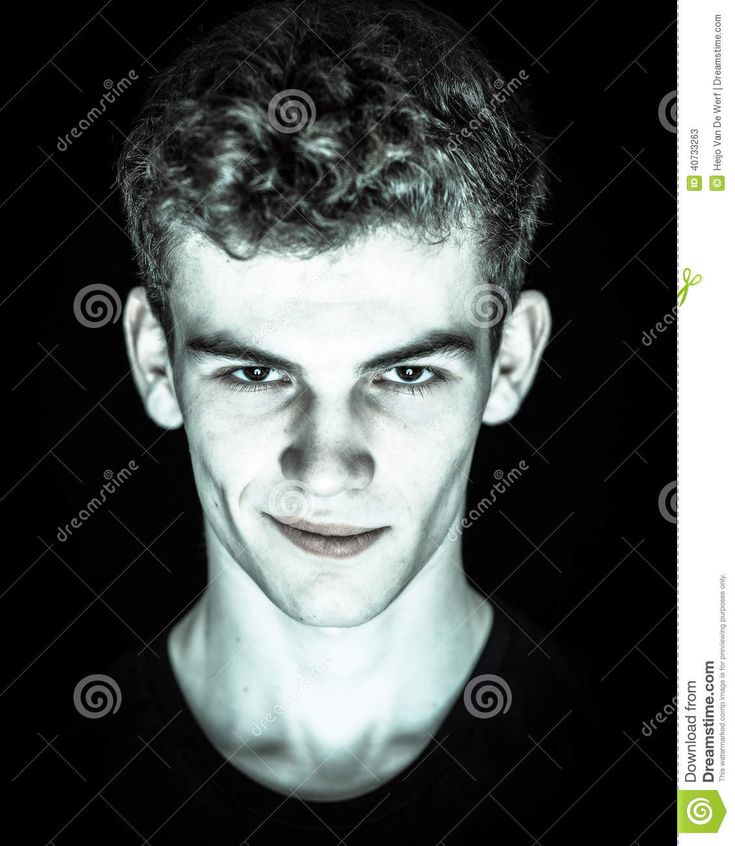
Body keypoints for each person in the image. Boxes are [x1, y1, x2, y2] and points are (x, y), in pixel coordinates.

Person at [31, 0, 629, 842]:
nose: (325, 468)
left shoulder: (659, 781)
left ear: (510, 361)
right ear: (155, 364)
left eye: (407, 373)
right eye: (253, 372)